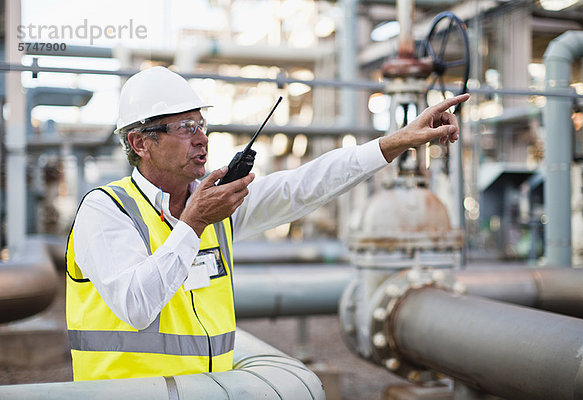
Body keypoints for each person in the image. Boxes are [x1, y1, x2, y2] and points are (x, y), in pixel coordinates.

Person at [66, 66, 469, 381]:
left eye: (201, 125)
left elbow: (305, 185)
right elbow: (136, 307)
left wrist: (394, 142)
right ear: (141, 143)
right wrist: (193, 224)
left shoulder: (215, 205)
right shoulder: (106, 211)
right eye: (186, 128)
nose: (202, 138)